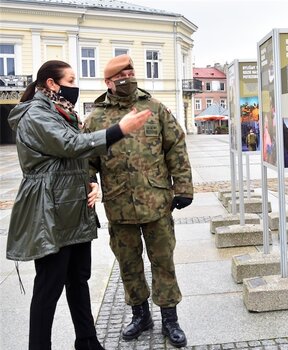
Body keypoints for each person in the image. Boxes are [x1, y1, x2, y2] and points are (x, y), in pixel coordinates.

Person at [6, 60, 151, 350]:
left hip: (73, 205)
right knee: (49, 287)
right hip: (50, 210)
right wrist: (118, 130)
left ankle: (87, 341)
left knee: (78, 279)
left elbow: (75, 157)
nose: (75, 85)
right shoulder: (36, 114)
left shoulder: (62, 112)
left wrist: (90, 180)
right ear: (51, 83)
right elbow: (71, 145)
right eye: (70, 80)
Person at [84, 54, 193, 348]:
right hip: (119, 207)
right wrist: (88, 184)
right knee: (129, 265)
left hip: (157, 203)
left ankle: (170, 318)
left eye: (132, 71)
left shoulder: (155, 108)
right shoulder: (95, 118)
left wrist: (182, 187)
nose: (129, 76)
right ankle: (140, 315)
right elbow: (86, 160)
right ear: (108, 81)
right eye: (122, 73)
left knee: (163, 261)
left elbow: (176, 147)